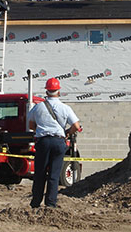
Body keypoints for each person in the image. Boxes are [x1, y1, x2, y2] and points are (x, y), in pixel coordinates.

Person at [27, 78, 81, 208]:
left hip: (43, 141)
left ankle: (35, 203)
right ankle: (51, 204)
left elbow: (31, 124)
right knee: (54, 174)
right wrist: (67, 132)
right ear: (58, 91)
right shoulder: (65, 108)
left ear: (47, 90)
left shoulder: (38, 107)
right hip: (58, 141)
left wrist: (41, 130)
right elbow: (77, 126)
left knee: (40, 173)